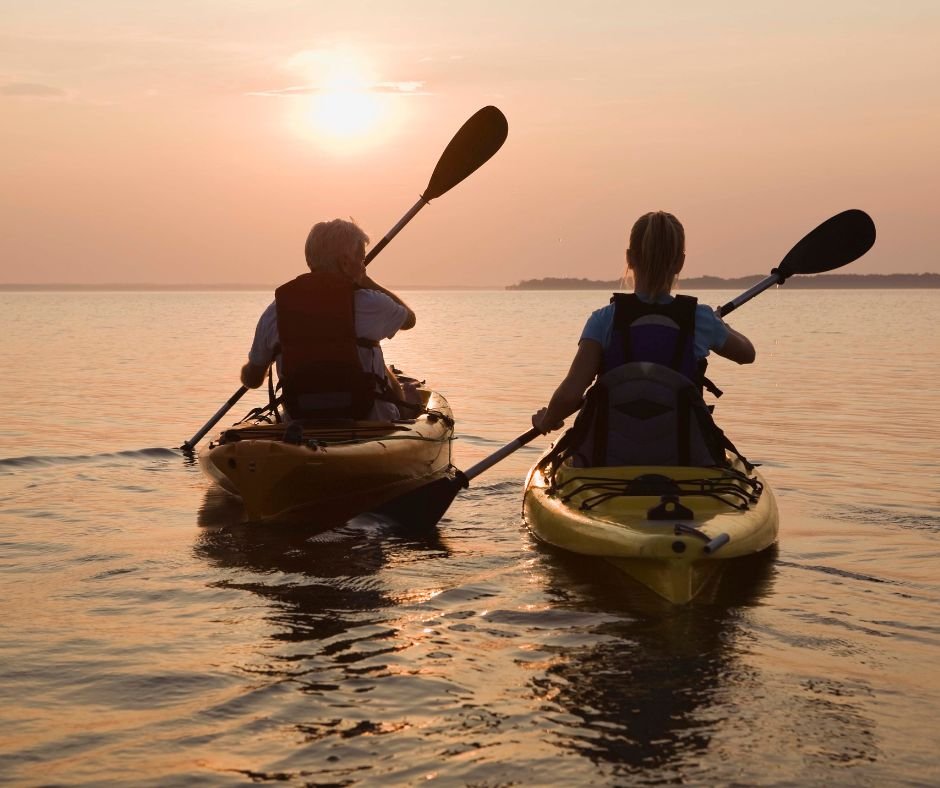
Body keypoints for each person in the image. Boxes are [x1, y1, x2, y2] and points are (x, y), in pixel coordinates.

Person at [531, 211, 755, 467]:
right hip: (682, 458)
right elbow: (747, 354)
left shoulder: (604, 319)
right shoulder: (700, 319)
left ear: (629, 258)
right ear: (680, 263)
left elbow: (570, 395)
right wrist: (720, 325)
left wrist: (548, 419)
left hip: (608, 458)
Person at [240, 218, 416, 421]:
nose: (363, 266)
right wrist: (366, 281)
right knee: (377, 363)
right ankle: (406, 410)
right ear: (345, 262)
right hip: (370, 423)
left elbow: (252, 380)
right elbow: (409, 320)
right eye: (362, 259)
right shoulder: (372, 303)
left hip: (301, 422)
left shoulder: (276, 311)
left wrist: (260, 361)